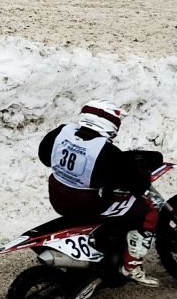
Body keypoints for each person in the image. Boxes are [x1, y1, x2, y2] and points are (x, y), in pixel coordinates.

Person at [37, 100, 164, 286]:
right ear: (108, 124)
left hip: (58, 198)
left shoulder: (62, 132)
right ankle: (132, 266)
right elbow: (137, 184)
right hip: (87, 205)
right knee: (147, 211)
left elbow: (44, 157)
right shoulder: (106, 152)